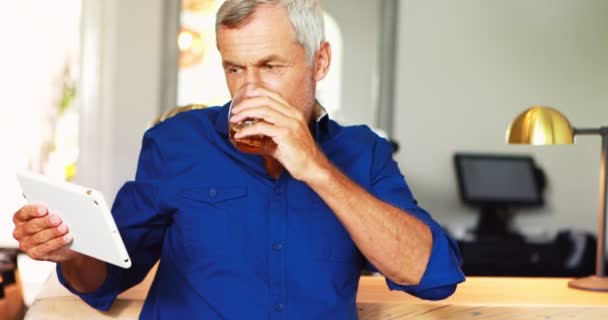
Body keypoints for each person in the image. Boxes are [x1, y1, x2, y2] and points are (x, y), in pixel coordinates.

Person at [11, 0, 464, 318]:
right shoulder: (175, 143)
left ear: (320, 61)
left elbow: (430, 276)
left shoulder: (363, 152)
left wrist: (316, 169)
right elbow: (106, 276)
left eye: (270, 67)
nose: (249, 91)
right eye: (234, 68)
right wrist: (70, 252)